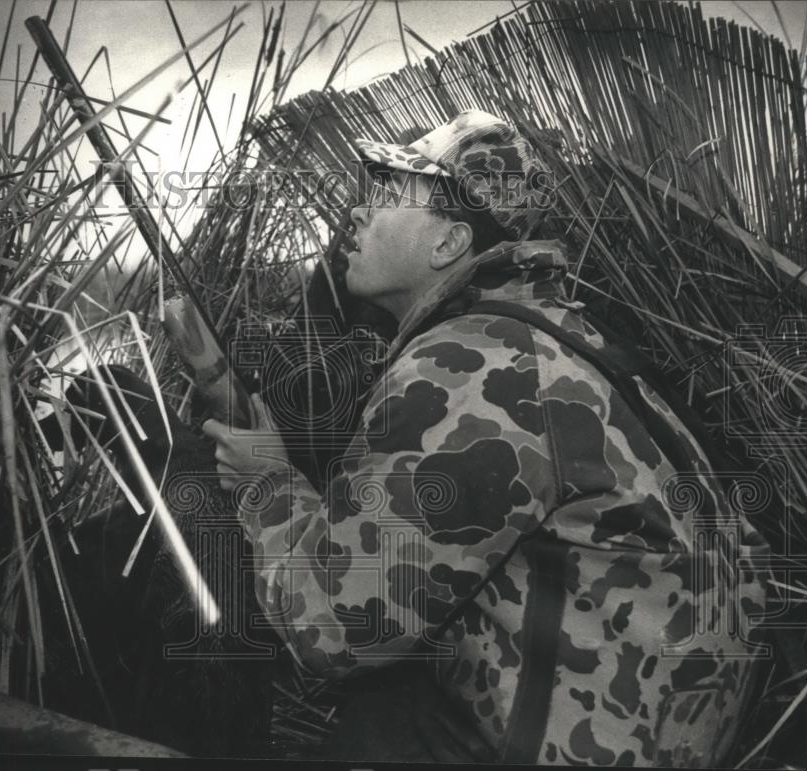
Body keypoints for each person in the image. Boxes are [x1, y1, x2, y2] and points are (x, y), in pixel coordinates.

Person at [201, 109, 769, 765]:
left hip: (595, 745)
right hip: (677, 726)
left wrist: (267, 487)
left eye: (388, 196)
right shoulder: (559, 335)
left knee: (371, 726)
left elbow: (334, 631)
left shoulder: (463, 368)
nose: (356, 213)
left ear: (448, 245)